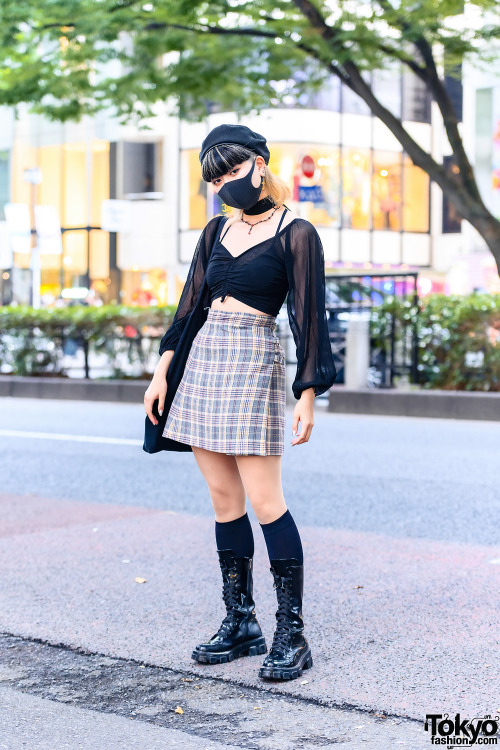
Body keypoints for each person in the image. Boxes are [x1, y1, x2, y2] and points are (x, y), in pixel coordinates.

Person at [144, 124, 336, 682]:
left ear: (258, 164)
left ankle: (291, 633)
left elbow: (307, 319)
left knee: (265, 498)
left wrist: (307, 396)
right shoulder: (214, 232)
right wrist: (161, 374)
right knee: (223, 498)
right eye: (216, 177)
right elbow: (188, 306)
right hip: (203, 361)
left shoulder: (295, 232)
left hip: (254, 359)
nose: (226, 183)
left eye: (232, 171)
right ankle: (241, 620)